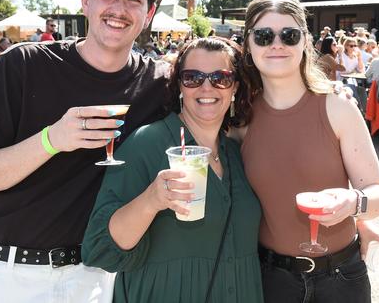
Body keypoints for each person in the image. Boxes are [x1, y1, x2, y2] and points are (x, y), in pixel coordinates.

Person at [0, 0, 167, 302]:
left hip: (94, 277)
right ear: (85, 0)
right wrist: (53, 139)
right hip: (4, 274)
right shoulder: (24, 64)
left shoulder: (158, 83)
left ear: (149, 14)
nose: (118, 9)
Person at [235, 0, 379, 303]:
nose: (277, 44)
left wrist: (353, 204)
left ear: (304, 42)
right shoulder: (240, 122)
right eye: (264, 35)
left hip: (341, 278)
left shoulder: (338, 109)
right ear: (249, 45)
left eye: (289, 35)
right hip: (271, 280)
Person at [83, 37, 264, 303]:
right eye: (193, 77)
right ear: (180, 84)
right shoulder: (146, 144)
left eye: (220, 78)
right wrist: (150, 201)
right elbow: (99, 250)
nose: (206, 87)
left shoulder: (238, 154)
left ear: (234, 86)